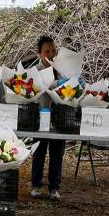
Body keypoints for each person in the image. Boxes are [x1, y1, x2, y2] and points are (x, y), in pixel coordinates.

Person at [26, 35, 66, 200]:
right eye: (46, 51)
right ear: (39, 54)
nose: (50, 54)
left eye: (53, 51)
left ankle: (54, 188)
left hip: (60, 118)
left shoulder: (62, 70)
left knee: (57, 154)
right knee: (39, 151)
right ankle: (36, 185)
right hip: (40, 117)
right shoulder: (35, 71)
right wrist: (57, 83)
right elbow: (41, 86)